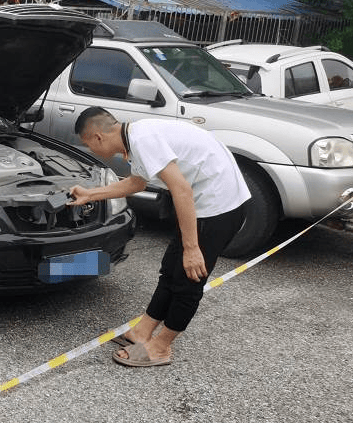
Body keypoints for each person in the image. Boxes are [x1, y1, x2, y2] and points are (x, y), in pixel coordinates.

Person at [68, 107, 250, 367]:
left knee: (189, 277)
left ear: (98, 137)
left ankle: (162, 346)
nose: (91, 150)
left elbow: (182, 191)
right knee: (171, 270)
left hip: (218, 206)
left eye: (88, 144)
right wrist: (90, 194)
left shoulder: (143, 140)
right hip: (201, 203)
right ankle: (142, 332)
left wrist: (192, 248)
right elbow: (136, 184)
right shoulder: (135, 137)